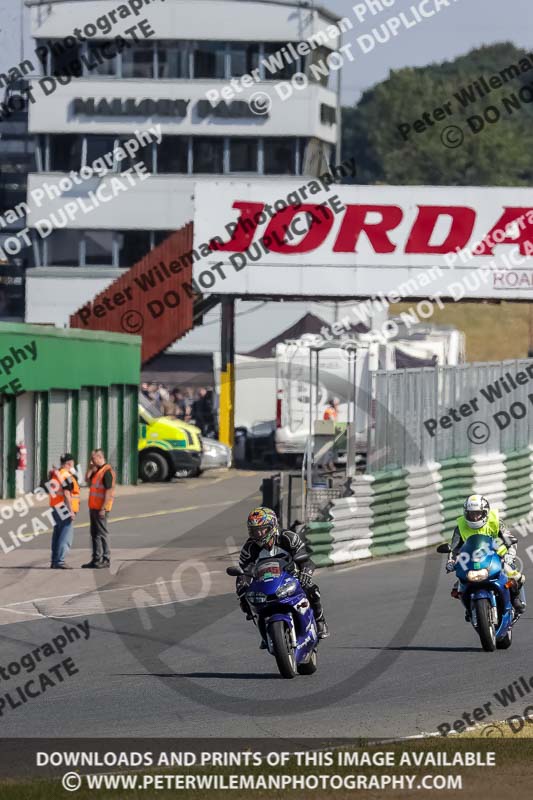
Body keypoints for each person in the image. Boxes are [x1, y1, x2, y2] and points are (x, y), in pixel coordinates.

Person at [235, 507, 329, 643]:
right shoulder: (249, 548)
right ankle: (267, 630)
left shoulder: (288, 538)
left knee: (312, 590)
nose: (259, 533)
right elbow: (244, 572)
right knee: (245, 601)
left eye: (262, 529)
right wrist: (242, 588)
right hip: (264, 583)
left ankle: (320, 620)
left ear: (272, 526)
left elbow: (306, 561)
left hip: (291, 577)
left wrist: (306, 574)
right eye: (254, 530)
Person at [446, 495, 526, 614]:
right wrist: (451, 562)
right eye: (471, 514)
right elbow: (454, 548)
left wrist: (510, 555)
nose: (474, 517)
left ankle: (515, 599)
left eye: (477, 513)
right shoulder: (460, 527)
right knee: (458, 587)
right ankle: (470, 608)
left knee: (516, 577)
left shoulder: (496, 522)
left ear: (485, 513)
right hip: (472, 561)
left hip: (498, 557)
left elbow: (510, 539)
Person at [82, 449, 116, 569]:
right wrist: (91, 468)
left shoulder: (107, 472)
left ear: (100, 457)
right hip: (93, 507)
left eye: (93, 458)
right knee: (95, 534)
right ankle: (96, 558)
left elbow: (108, 491)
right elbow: (86, 479)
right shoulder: (97, 471)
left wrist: (103, 508)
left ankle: (106, 559)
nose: (91, 461)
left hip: (101, 508)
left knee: (102, 533)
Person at [49, 453, 80, 570]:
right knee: (65, 535)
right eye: (73, 463)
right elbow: (67, 494)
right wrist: (70, 511)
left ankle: (55, 560)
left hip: (55, 506)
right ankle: (60, 561)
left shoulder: (56, 475)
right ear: (69, 463)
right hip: (64, 507)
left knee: (57, 534)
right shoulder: (66, 476)